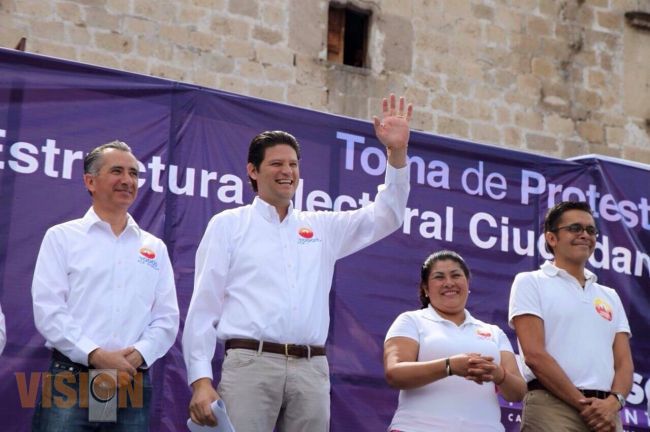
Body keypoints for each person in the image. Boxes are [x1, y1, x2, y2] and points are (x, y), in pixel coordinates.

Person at [183, 94, 413, 431]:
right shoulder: (228, 225)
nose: (287, 171)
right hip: (250, 364)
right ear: (252, 170)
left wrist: (396, 155)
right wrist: (200, 380)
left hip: (311, 369)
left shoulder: (321, 227)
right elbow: (204, 306)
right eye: (276, 163)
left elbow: (388, 216)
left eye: (293, 164)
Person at [31, 140, 179, 431]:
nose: (128, 180)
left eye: (134, 173)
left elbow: (167, 318)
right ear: (90, 181)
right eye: (117, 171)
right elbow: (48, 310)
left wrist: (135, 357)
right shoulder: (62, 238)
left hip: (129, 379)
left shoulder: (154, 247)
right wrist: (98, 356)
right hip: (72, 377)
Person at [509, 201, 634, 432]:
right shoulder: (530, 282)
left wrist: (613, 403)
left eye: (590, 230)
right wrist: (583, 404)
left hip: (606, 413)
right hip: (553, 407)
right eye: (575, 228)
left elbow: (624, 364)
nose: (585, 235)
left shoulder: (610, 295)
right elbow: (534, 355)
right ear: (551, 238)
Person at [384, 250, 526, 432]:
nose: (449, 283)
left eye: (456, 275)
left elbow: (518, 392)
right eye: (439, 277)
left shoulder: (493, 332)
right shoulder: (411, 321)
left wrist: (499, 375)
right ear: (426, 289)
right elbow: (394, 373)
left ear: (467, 284)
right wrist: (449, 367)